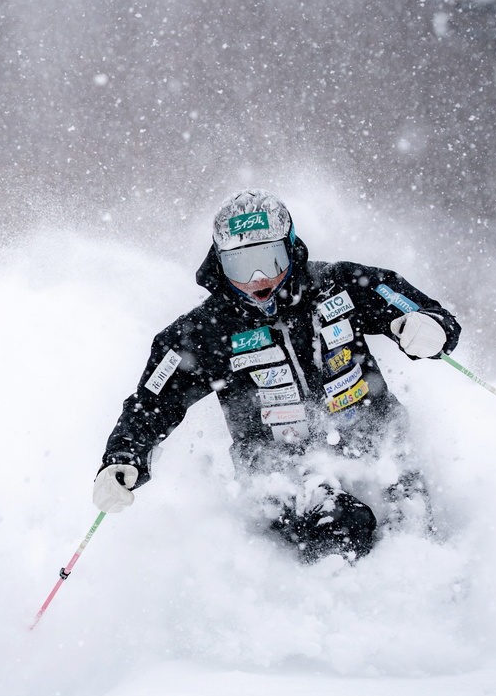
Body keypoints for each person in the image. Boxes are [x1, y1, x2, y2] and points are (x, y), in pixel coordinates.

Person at [92, 189, 461, 562]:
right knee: (343, 527)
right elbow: (153, 402)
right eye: (240, 265)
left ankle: (429, 600)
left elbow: (422, 311)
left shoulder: (343, 284)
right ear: (219, 263)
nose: (257, 279)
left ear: (291, 247)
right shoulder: (205, 331)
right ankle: (334, 608)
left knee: (413, 530)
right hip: (279, 471)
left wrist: (430, 327)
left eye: (269, 260)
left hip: (375, 443)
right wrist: (124, 456)